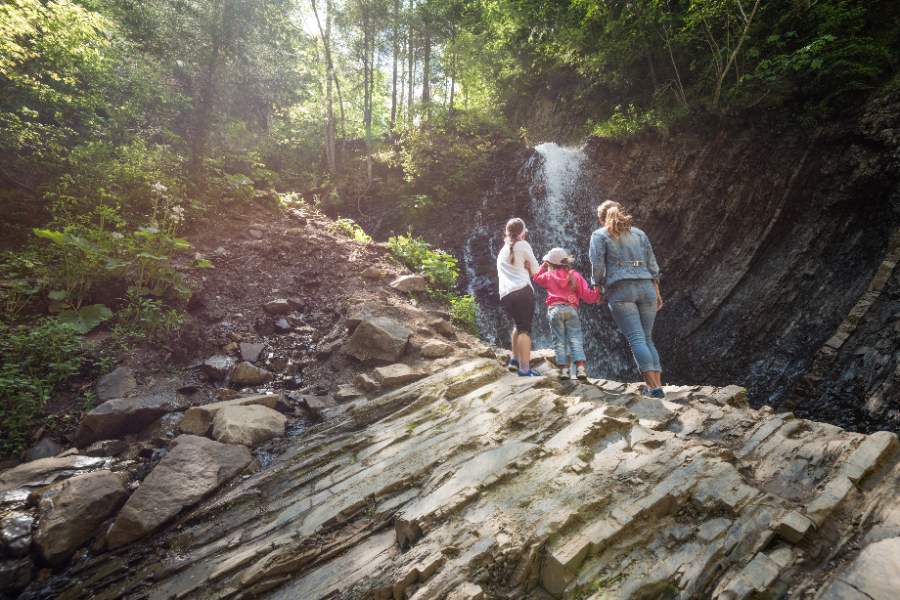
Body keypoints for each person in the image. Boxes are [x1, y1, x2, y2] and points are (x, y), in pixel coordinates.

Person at [588, 200, 665, 398]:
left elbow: (597, 266)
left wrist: (597, 286)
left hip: (621, 290)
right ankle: (657, 386)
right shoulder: (639, 234)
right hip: (647, 287)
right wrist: (657, 292)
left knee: (637, 338)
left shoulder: (599, 235)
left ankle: (654, 388)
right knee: (648, 338)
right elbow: (652, 264)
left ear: (601, 218)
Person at [533, 247, 601, 380]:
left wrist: (544, 265)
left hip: (554, 310)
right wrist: (597, 291)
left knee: (559, 341)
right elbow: (588, 296)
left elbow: (535, 277)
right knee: (575, 339)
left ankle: (564, 371)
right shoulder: (574, 275)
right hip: (571, 310)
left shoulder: (548, 275)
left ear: (550, 263)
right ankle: (581, 369)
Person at [496, 217, 541, 377]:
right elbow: (536, 271)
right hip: (522, 291)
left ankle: (514, 362)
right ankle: (524, 369)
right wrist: (529, 267)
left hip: (506, 295)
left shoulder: (502, 250)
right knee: (525, 330)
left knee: (518, 325)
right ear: (523, 232)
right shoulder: (523, 244)